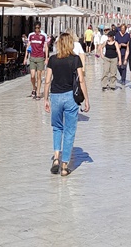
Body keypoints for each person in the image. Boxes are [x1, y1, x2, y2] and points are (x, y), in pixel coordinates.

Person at [44, 32, 90, 177]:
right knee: (69, 131)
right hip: (70, 97)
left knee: (57, 128)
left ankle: (56, 158)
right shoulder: (75, 59)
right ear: (70, 44)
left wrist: (45, 99)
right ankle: (64, 166)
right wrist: (87, 99)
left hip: (56, 96)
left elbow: (47, 80)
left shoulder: (52, 59)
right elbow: (81, 80)